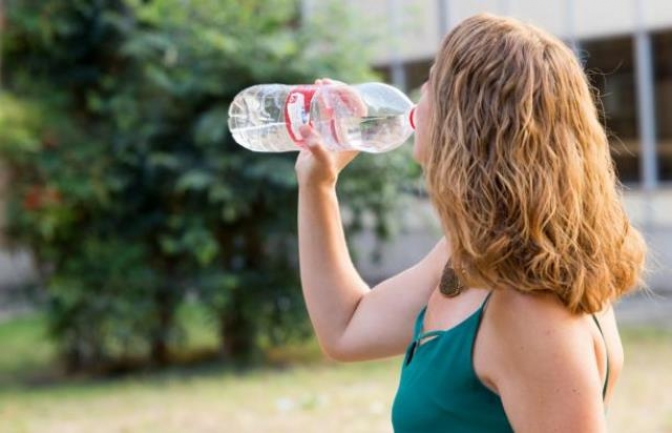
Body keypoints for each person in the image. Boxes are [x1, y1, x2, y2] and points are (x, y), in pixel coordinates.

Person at [294, 13, 646, 432]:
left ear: (468, 123)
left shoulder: (530, 312)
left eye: (432, 81)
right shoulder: (473, 258)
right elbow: (345, 329)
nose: (419, 96)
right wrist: (318, 184)